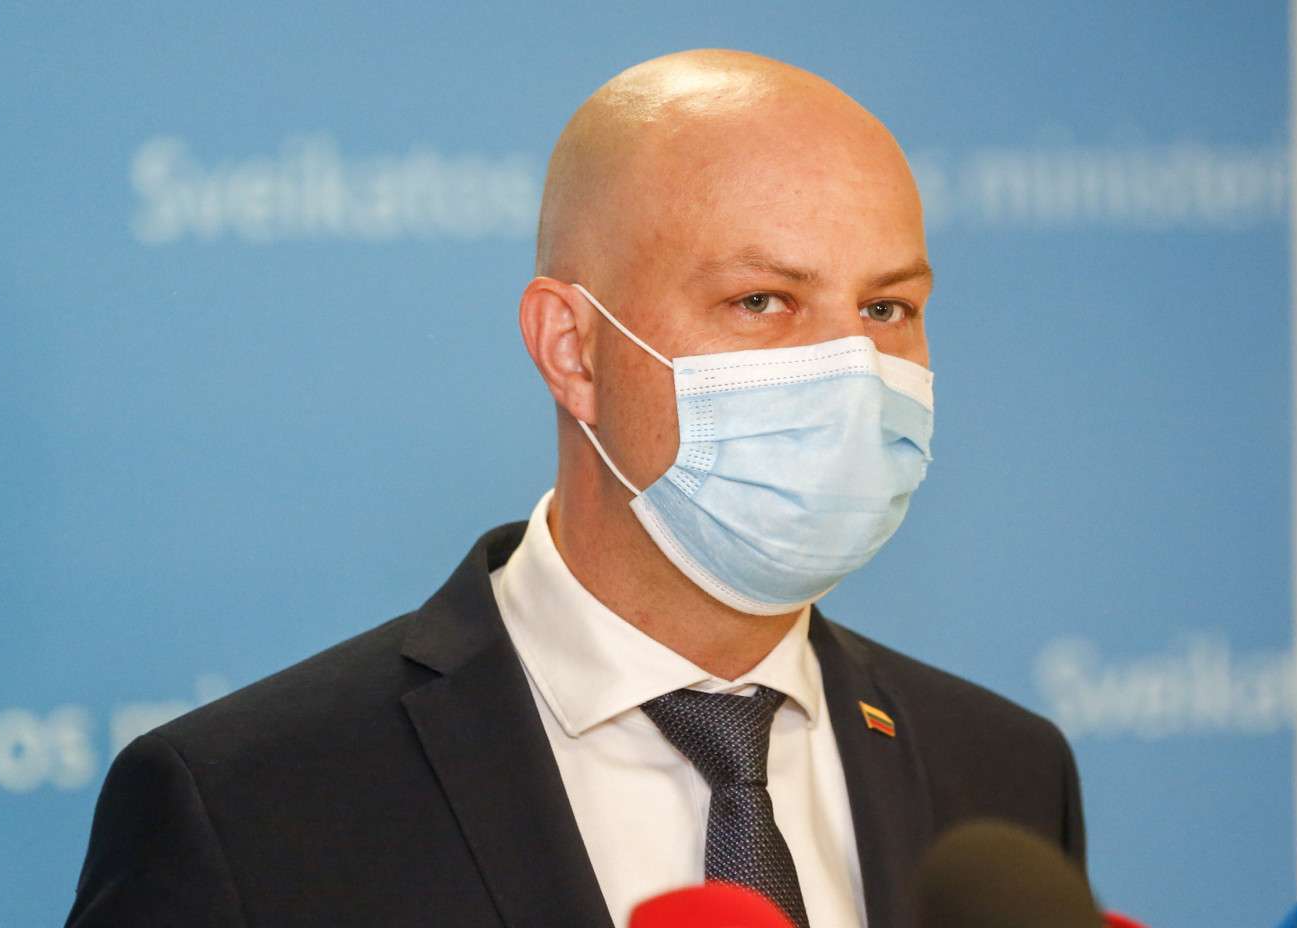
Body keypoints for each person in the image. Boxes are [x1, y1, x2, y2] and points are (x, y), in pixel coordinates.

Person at [65, 50, 1083, 928]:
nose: (851, 369)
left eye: (887, 307)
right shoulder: (250, 806)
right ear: (573, 347)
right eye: (761, 299)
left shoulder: (1005, 777)